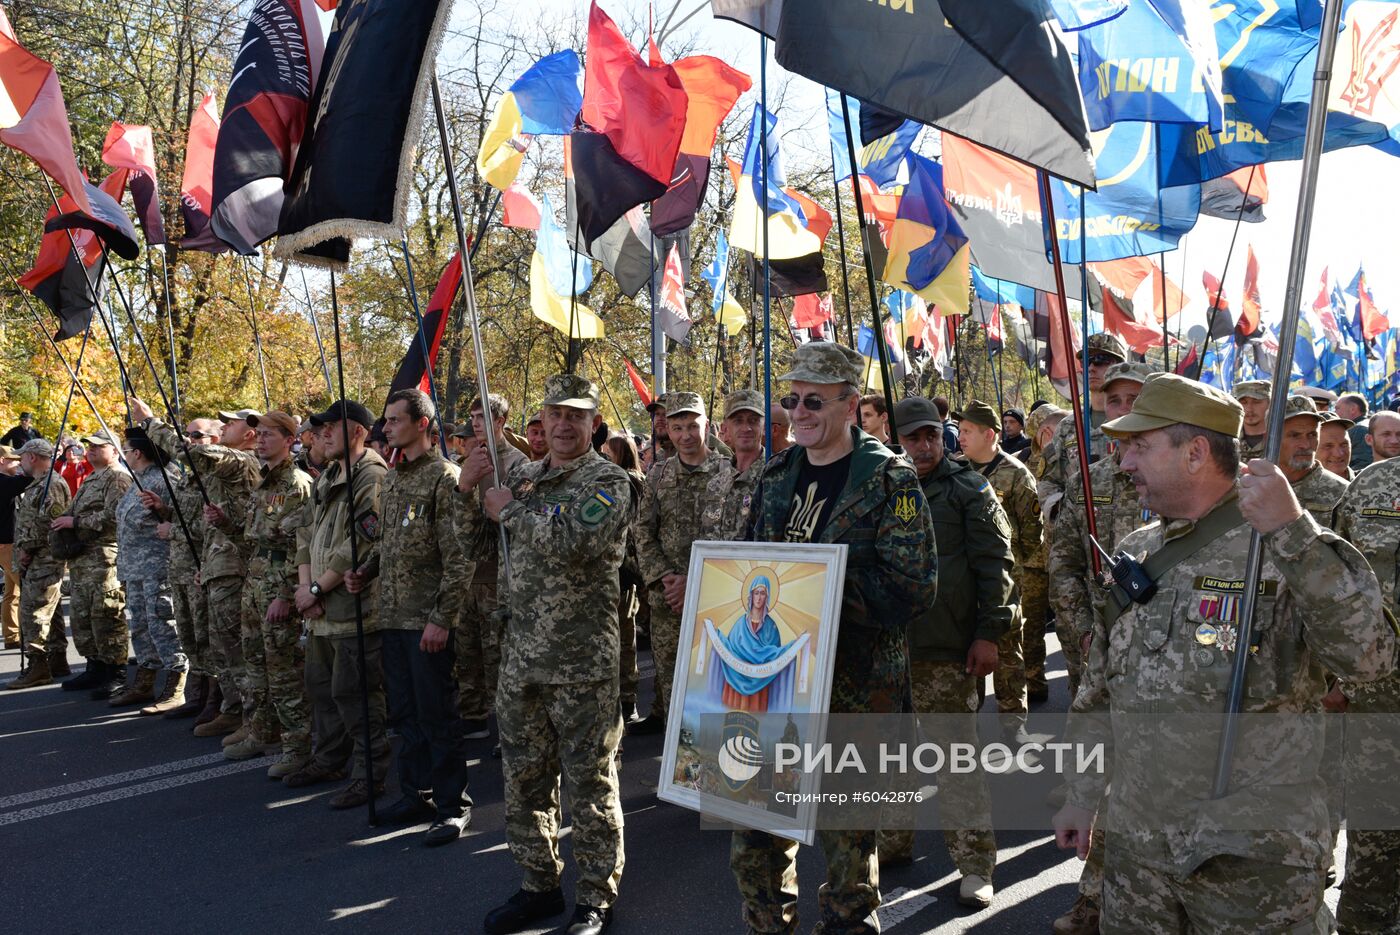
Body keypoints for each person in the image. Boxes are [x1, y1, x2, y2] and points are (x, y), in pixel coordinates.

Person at [1053, 373, 1394, 933]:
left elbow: (1370, 658)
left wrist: (1292, 532)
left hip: (1251, 860)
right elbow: (1102, 685)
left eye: (1140, 446)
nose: (1123, 463)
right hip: (1139, 853)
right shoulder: (1139, 551)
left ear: (1194, 452)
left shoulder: (1285, 544)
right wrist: (1080, 793)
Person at [732, 343, 938, 933]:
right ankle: (770, 921)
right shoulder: (776, 477)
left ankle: (848, 925)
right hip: (770, 684)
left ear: (850, 403)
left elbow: (913, 587)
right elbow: (746, 569)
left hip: (855, 686)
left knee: (847, 838)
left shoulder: (889, 480)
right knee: (754, 829)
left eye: (814, 400)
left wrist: (816, 590)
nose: (797, 411)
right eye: (792, 399)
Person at [477, 374, 639, 935]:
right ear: (541, 421)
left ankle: (595, 896)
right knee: (524, 781)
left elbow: (575, 541)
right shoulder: (522, 478)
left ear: (595, 423)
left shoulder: (609, 480)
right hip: (520, 657)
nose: (565, 425)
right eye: (555, 414)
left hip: (582, 662)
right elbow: (484, 522)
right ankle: (537, 885)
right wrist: (475, 489)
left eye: (577, 416)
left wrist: (509, 513)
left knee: (590, 784)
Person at [877, 395, 1011, 909]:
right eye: (913, 437)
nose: (924, 445)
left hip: (945, 648)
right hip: (889, 646)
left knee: (956, 760)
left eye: (932, 434)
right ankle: (891, 840)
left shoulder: (969, 488)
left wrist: (990, 633)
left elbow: (996, 563)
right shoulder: (882, 486)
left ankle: (975, 863)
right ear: (899, 438)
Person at [1044, 361, 1155, 935]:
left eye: (1135, 398)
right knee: (1096, 766)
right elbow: (1061, 558)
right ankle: (1092, 899)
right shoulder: (1089, 480)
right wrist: (1083, 624)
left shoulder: (1170, 481)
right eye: (1114, 400)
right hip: (1099, 647)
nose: (1122, 408)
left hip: (1164, 658)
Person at [347, 389, 472, 844]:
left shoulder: (445, 478)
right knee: (404, 713)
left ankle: (452, 805)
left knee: (437, 713)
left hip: (426, 620)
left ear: (422, 424)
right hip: (391, 615)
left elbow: (459, 559)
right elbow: (389, 542)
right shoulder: (395, 479)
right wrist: (367, 568)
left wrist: (442, 618)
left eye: (395, 420)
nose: (386, 428)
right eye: (385, 420)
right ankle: (415, 793)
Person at [139, 401, 262, 740]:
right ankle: (231, 709)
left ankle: (249, 717)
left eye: (230, 425)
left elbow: (189, 454)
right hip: (214, 564)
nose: (223, 428)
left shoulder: (241, 460)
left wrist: (150, 422)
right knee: (219, 645)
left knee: (234, 647)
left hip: (235, 566)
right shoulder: (220, 466)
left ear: (249, 434)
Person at [291, 400, 392, 804]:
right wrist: (305, 591)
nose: (322, 434)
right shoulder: (329, 474)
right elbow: (305, 533)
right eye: (321, 429)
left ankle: (370, 773)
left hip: (353, 610)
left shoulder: (372, 477)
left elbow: (360, 544)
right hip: (319, 610)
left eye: (331, 427)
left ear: (357, 432)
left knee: (357, 696)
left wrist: (316, 590)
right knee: (321, 690)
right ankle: (330, 758)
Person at [631, 391, 732, 736]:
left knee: (716, 689)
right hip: (668, 603)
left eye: (692, 425)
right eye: (677, 427)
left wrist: (698, 580)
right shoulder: (658, 474)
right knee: (675, 688)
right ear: (668, 431)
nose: (686, 435)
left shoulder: (728, 472)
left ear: (707, 425)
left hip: (717, 601)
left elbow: (737, 535)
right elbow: (643, 529)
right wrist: (665, 578)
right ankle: (680, 777)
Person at [1331, 453, 1400, 934]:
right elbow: (1335, 589)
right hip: (1378, 698)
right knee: (1377, 836)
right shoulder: (1371, 487)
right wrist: (1334, 676)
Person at [224, 411, 314, 774]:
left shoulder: (297, 484)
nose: (259, 440)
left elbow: (300, 546)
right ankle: (261, 731)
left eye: (268, 435)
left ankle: (297, 745)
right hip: (255, 581)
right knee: (255, 664)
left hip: (279, 585)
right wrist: (227, 526)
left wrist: (286, 593)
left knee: (284, 670)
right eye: (257, 434)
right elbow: (254, 541)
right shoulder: (263, 483)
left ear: (289, 439)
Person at [958, 399, 1044, 727]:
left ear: (989, 434)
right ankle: (971, 723)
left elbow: (1031, 534)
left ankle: (1013, 726)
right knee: (969, 653)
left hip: (1005, 582)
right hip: (965, 582)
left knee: (1008, 655)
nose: (961, 437)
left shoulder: (1016, 475)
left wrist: (1011, 569)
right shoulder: (955, 470)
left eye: (967, 431)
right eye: (961, 431)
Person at [455, 393, 527, 739]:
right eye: (473, 418)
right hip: (471, 571)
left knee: (498, 653)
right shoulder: (472, 458)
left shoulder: (516, 462)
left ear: (500, 420)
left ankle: (506, 726)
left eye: (482, 417)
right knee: (468, 651)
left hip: (500, 572)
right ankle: (474, 715)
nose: (476, 424)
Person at [110, 426, 187, 711]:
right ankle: (144, 680)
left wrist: (163, 509)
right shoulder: (136, 480)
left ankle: (175, 684)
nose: (123, 455)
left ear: (138, 452)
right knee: (141, 625)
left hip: (158, 566)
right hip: (134, 568)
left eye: (125, 450)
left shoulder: (164, 479)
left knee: (162, 624)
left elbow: (182, 517)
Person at [146, 418, 217, 719]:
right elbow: (182, 518)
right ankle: (195, 697)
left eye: (197, 436)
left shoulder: (214, 478)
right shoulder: (189, 479)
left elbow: (212, 527)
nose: (190, 440)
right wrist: (162, 509)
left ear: (215, 440)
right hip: (181, 568)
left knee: (206, 635)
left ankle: (215, 701)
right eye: (187, 435)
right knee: (188, 634)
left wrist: (171, 530)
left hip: (204, 568)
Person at [54, 429, 131, 698]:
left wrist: (75, 523)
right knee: (83, 616)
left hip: (104, 556)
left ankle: (116, 673)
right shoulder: (92, 478)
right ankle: (94, 666)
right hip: (83, 557)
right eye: (90, 446)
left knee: (106, 614)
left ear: (114, 449)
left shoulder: (118, 478)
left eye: (99, 446)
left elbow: (113, 516)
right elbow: (73, 509)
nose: (92, 450)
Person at [1036, 332, 1128, 517]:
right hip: (1079, 534)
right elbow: (1049, 480)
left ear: (1120, 366)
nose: (1092, 367)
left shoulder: (1134, 423)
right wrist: (1063, 512)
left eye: (1101, 360)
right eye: (1087, 361)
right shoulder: (1068, 427)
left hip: (1127, 531)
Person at [3, 440, 69, 689]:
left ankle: (38, 665)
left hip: (44, 556)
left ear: (32, 457)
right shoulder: (39, 483)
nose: (20, 462)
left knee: (33, 611)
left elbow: (48, 523)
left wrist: (27, 550)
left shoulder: (49, 484)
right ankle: (57, 659)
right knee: (51, 612)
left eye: (22, 457)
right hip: (39, 556)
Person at [602, 433, 646, 723]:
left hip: (623, 568)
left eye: (609, 452)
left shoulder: (626, 482)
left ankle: (627, 698)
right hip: (624, 570)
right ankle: (626, 698)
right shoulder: (633, 479)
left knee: (623, 637)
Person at [701, 389, 767, 542]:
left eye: (753, 420)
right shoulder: (716, 484)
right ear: (725, 429)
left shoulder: (775, 480)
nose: (746, 428)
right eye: (738, 421)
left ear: (764, 427)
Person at [1276, 396, 1349, 526]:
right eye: (1295, 436)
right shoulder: (1248, 486)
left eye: (1312, 435)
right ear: (1270, 437)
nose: (1305, 444)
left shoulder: (1342, 494)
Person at [0, 445, 28, 649]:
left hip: (8, 543)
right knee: (25, 588)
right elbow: (29, 479)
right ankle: (22, 635)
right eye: (13, 459)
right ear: (2, 461)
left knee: (12, 593)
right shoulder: (4, 482)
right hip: (7, 544)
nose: (18, 463)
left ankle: (11, 636)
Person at [1231, 379, 1270, 461]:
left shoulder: (1280, 440)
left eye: (1256, 402)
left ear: (1269, 403)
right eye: (1243, 402)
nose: (1249, 409)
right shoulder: (1228, 440)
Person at [1336, 392, 1372, 470]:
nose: (1335, 413)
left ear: (1353, 409)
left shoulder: (1359, 429)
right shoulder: (1364, 425)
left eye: (1337, 408)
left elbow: (1362, 465)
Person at [1318, 411, 1356, 480]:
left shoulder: (1369, 482)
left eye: (1344, 445)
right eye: (1328, 446)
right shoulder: (1296, 489)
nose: (1338, 454)